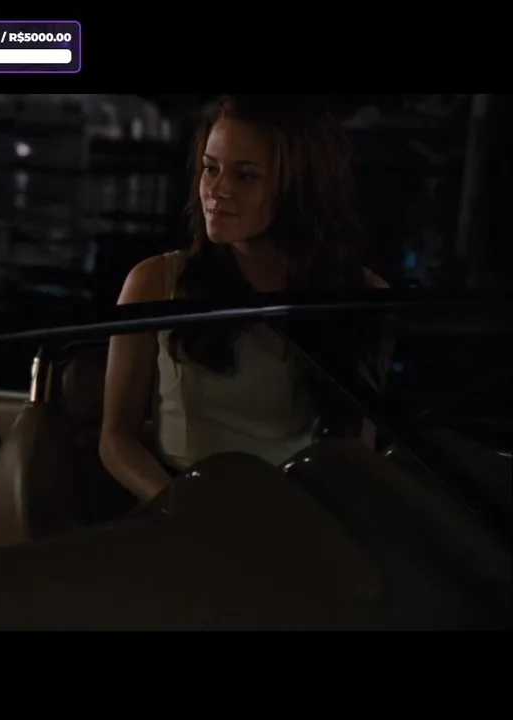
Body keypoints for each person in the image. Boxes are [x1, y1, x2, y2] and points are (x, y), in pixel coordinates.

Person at [100, 95, 390, 505]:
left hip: (300, 514)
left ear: (300, 188)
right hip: (182, 509)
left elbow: (357, 455)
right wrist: (183, 506)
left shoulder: (363, 299)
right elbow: (116, 439)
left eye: (245, 176)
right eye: (210, 168)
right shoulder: (157, 283)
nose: (217, 190)